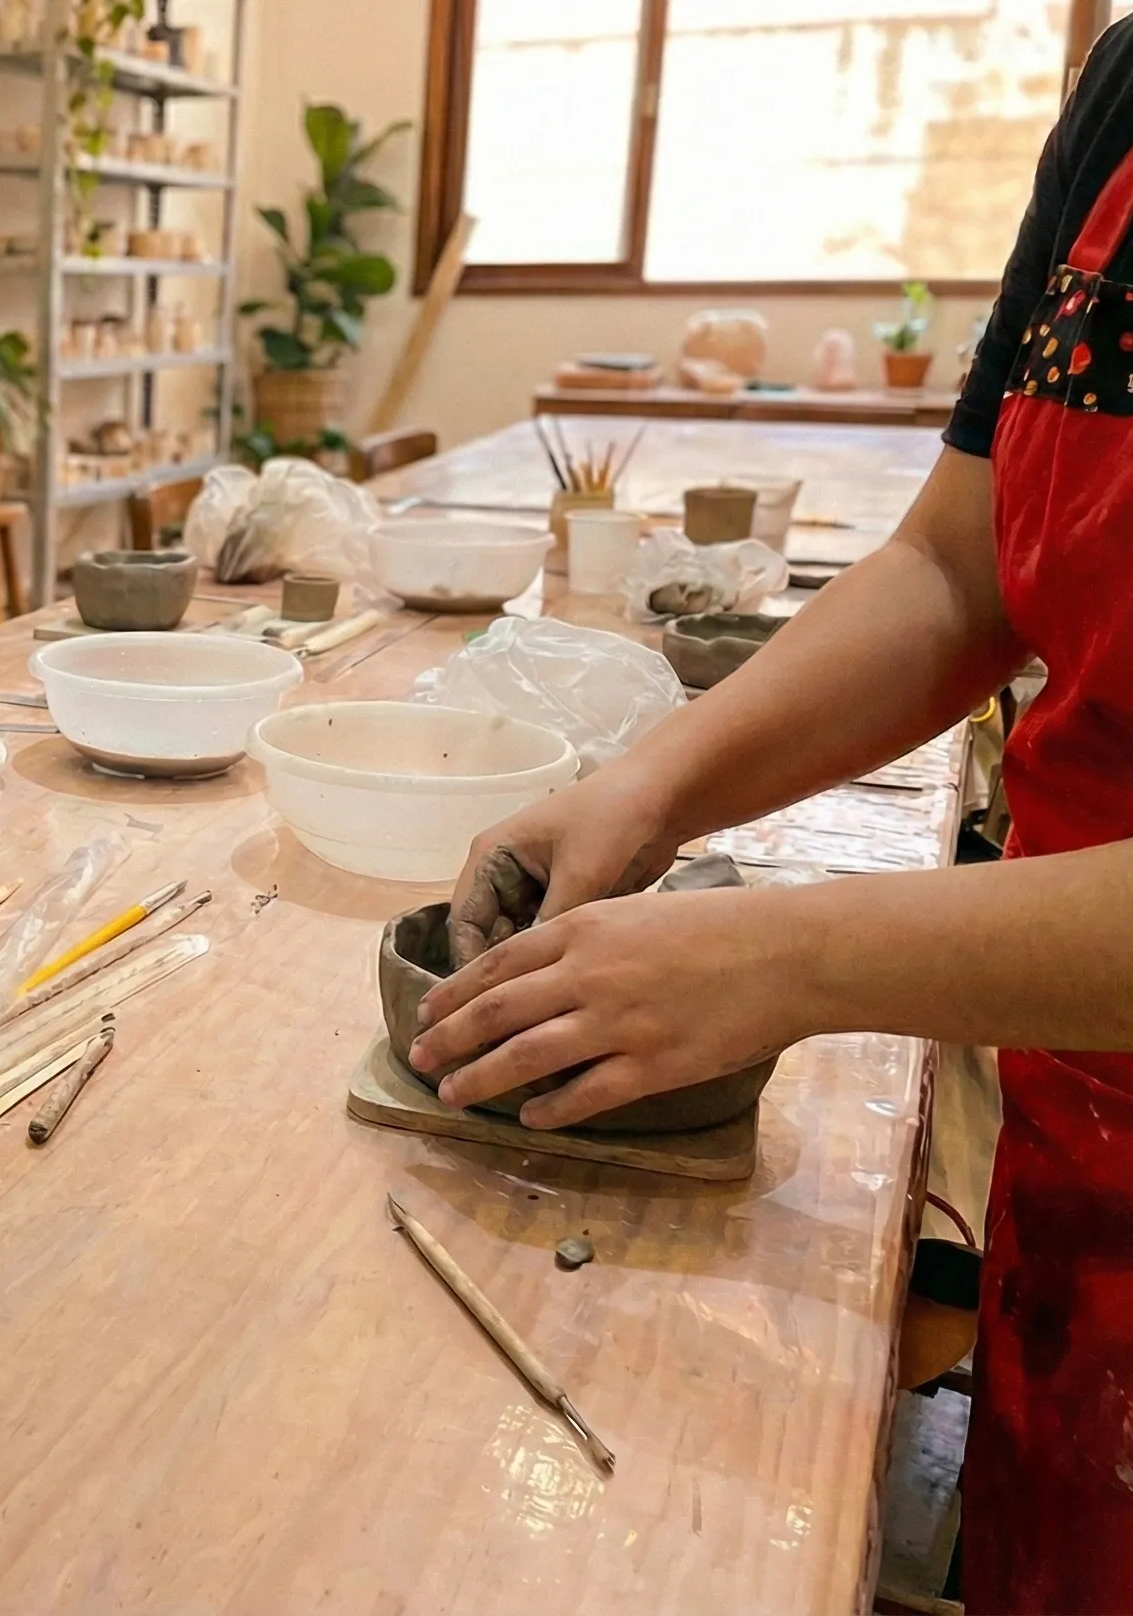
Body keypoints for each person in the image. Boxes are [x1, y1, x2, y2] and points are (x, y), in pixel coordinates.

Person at [406, 20, 1133, 1613]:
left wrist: (784, 961)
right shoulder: (1124, 88)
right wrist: (647, 786)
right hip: (1077, 1104)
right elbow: (956, 567)